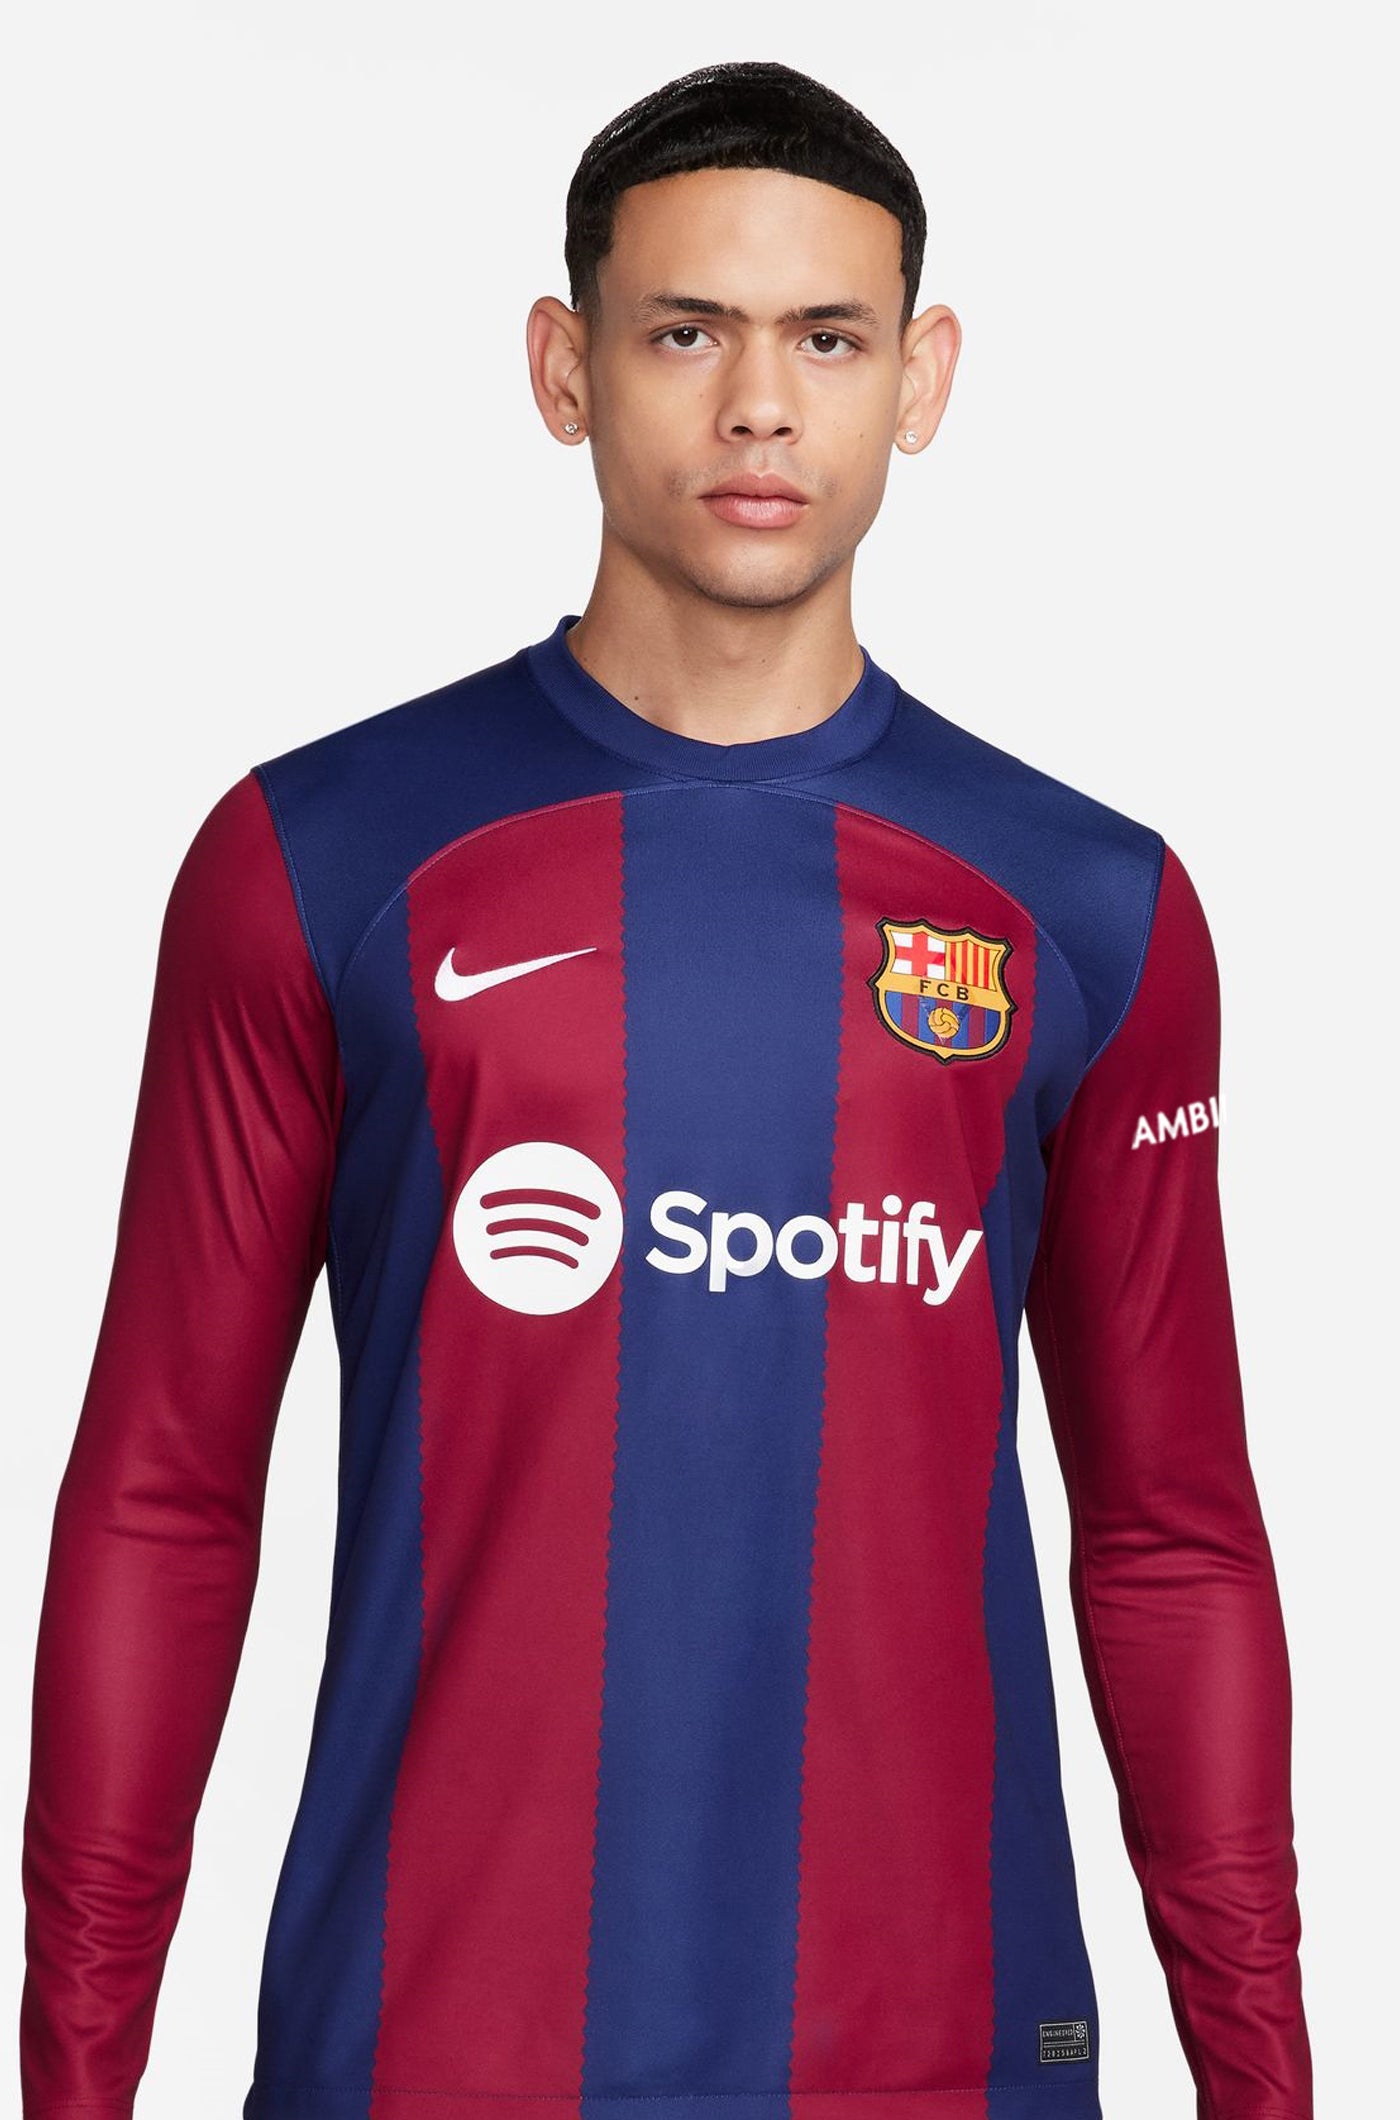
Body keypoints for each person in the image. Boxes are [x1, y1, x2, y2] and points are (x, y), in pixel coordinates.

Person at [20, 57, 1313, 2120]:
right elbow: (164, 1496)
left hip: (948, 2063)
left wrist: (1266, 2082)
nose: (759, 406)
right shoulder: (319, 861)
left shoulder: (1088, 906)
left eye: (829, 337)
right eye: (686, 332)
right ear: (564, 367)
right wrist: (73, 2075)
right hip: (431, 2059)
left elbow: (1172, 1538)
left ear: (924, 378)